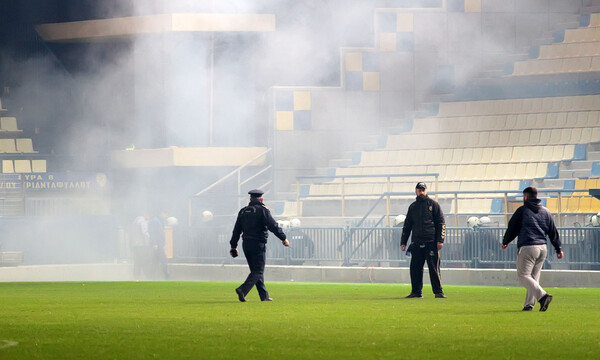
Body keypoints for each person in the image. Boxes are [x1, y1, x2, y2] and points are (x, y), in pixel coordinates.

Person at [502, 187, 563, 312]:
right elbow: (553, 231)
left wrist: (505, 241)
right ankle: (529, 305)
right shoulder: (546, 211)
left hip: (528, 246)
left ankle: (543, 296)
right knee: (534, 277)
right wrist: (558, 248)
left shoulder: (522, 211)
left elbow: (512, 227)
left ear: (525, 197)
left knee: (523, 275)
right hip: (543, 248)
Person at [230, 189, 289, 302]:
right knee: (258, 271)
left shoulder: (243, 211)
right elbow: (273, 226)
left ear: (250, 199)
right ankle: (243, 289)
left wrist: (233, 246)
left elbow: (236, 230)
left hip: (246, 244)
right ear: (261, 199)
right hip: (258, 244)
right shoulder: (263, 210)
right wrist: (283, 238)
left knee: (255, 270)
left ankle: (264, 296)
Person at [400, 182, 447, 298]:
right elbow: (407, 226)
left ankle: (438, 292)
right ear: (416, 191)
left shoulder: (434, 205)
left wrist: (440, 240)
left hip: (431, 242)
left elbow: (441, 223)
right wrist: (403, 242)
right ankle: (416, 292)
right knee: (415, 269)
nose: (421, 192)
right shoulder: (412, 207)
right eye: (419, 190)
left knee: (434, 268)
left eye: (423, 190)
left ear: (426, 191)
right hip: (416, 242)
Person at [148, 209, 170, 279]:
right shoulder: (156, 221)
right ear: (161, 213)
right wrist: (155, 243)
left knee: (155, 261)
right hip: (158, 245)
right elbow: (153, 233)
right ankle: (167, 276)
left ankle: (151, 276)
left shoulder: (158, 221)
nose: (167, 215)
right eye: (165, 213)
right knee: (163, 261)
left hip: (159, 244)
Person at [131, 212, 151, 279]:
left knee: (137, 262)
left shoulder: (135, 221)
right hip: (142, 245)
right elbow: (145, 232)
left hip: (135, 245)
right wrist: (149, 241)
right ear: (145, 215)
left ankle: (136, 277)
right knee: (145, 261)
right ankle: (147, 276)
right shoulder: (143, 221)